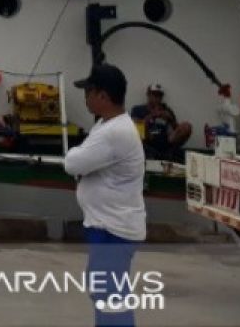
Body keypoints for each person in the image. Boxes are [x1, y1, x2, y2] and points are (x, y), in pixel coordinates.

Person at [64, 63, 146, 327]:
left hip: (113, 229)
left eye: (88, 92)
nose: (85, 97)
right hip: (106, 225)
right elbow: (84, 158)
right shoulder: (106, 124)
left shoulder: (114, 132)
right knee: (103, 291)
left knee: (111, 296)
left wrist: (77, 159)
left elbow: (73, 163)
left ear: (102, 95)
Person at [129, 84, 192, 161]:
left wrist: (171, 119)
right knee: (137, 124)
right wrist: (152, 116)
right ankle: (155, 155)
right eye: (154, 95)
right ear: (148, 95)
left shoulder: (167, 110)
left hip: (166, 142)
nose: (156, 98)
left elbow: (176, 130)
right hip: (147, 141)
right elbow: (134, 129)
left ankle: (167, 153)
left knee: (187, 126)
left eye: (159, 96)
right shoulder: (138, 109)